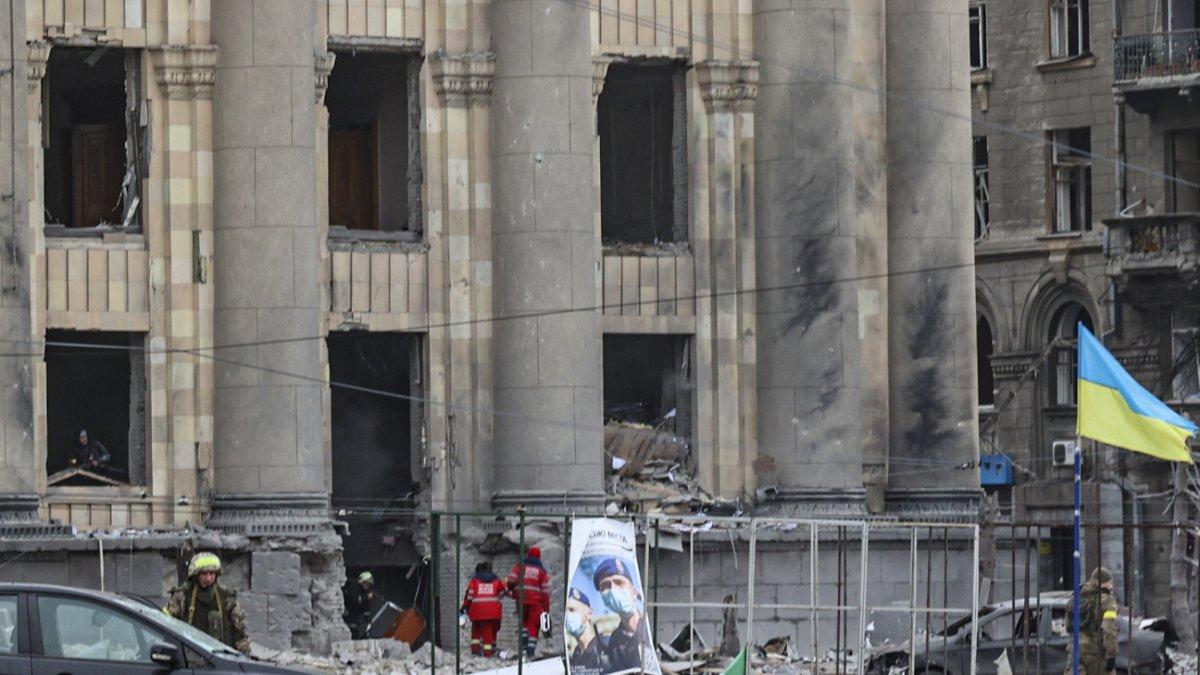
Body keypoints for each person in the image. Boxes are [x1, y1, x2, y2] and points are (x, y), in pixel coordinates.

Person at [163, 552, 250, 654]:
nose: (208, 579)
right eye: (204, 574)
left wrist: (244, 654)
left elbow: (240, 631)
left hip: (221, 656)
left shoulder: (226, 597)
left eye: (212, 574)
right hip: (190, 656)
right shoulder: (182, 596)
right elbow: (166, 624)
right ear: (196, 575)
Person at [593, 558, 648, 673]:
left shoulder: (648, 628)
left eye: (619, 582)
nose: (613, 590)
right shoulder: (614, 640)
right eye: (605, 586)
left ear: (634, 593)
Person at [1064, 566, 1119, 675]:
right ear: (1102, 583)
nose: (1112, 586)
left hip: (1075, 652)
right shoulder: (1107, 600)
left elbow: (1068, 625)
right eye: (1110, 582)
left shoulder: (1076, 597)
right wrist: (1111, 655)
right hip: (1096, 654)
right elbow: (1109, 629)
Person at [507, 546, 551, 658]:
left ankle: (523, 650)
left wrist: (513, 589)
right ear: (539, 557)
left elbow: (511, 580)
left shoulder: (520, 566)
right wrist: (546, 608)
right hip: (536, 603)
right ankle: (530, 652)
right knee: (533, 626)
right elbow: (545, 591)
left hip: (521, 600)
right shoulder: (542, 572)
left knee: (524, 625)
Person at [461, 562, 506, 657]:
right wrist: (498, 601)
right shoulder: (496, 579)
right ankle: (487, 654)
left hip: (477, 610)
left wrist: (465, 606)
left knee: (475, 630)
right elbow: (503, 591)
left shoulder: (475, 580)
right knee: (488, 632)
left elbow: (470, 595)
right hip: (492, 610)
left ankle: (475, 650)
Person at [566, 587, 607, 674]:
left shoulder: (607, 646)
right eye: (564, 613)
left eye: (572, 610)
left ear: (589, 613)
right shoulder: (575, 657)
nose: (567, 616)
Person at [344, 571, 378, 638]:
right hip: (347, 617)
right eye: (367, 583)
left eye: (369, 584)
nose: (368, 586)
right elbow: (354, 600)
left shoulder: (365, 592)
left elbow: (366, 608)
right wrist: (366, 597)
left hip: (355, 619)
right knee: (351, 634)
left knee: (355, 635)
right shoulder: (353, 587)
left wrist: (369, 620)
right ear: (362, 581)